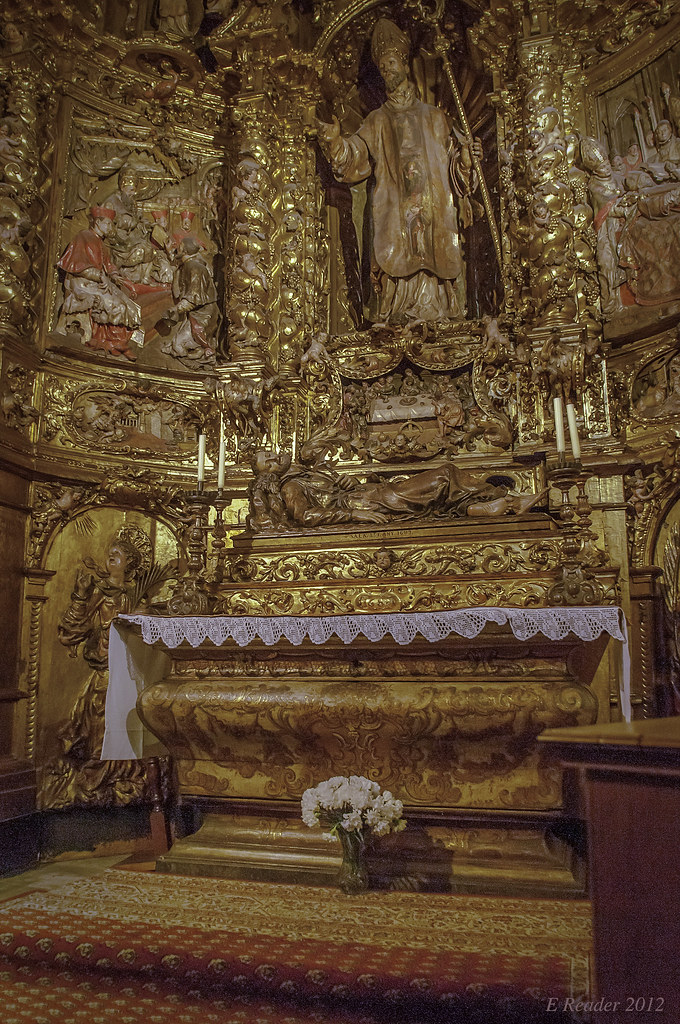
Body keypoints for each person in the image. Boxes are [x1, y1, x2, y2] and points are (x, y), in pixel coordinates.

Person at [316, 18, 482, 326]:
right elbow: (354, 157)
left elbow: (457, 172)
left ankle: (438, 314)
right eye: (382, 67)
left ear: (404, 64)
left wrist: (466, 162)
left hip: (434, 219)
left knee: (435, 263)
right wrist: (335, 140)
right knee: (398, 263)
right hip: (395, 220)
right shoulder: (377, 121)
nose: (386, 70)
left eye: (391, 63)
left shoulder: (435, 118)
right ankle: (397, 315)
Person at [56, 206, 144, 360]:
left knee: (128, 305)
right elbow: (77, 265)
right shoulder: (83, 236)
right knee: (114, 304)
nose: (111, 228)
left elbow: (108, 265)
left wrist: (115, 276)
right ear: (97, 222)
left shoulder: (102, 244)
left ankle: (114, 342)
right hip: (82, 282)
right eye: (108, 224)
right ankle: (113, 343)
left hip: (98, 283)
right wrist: (99, 276)